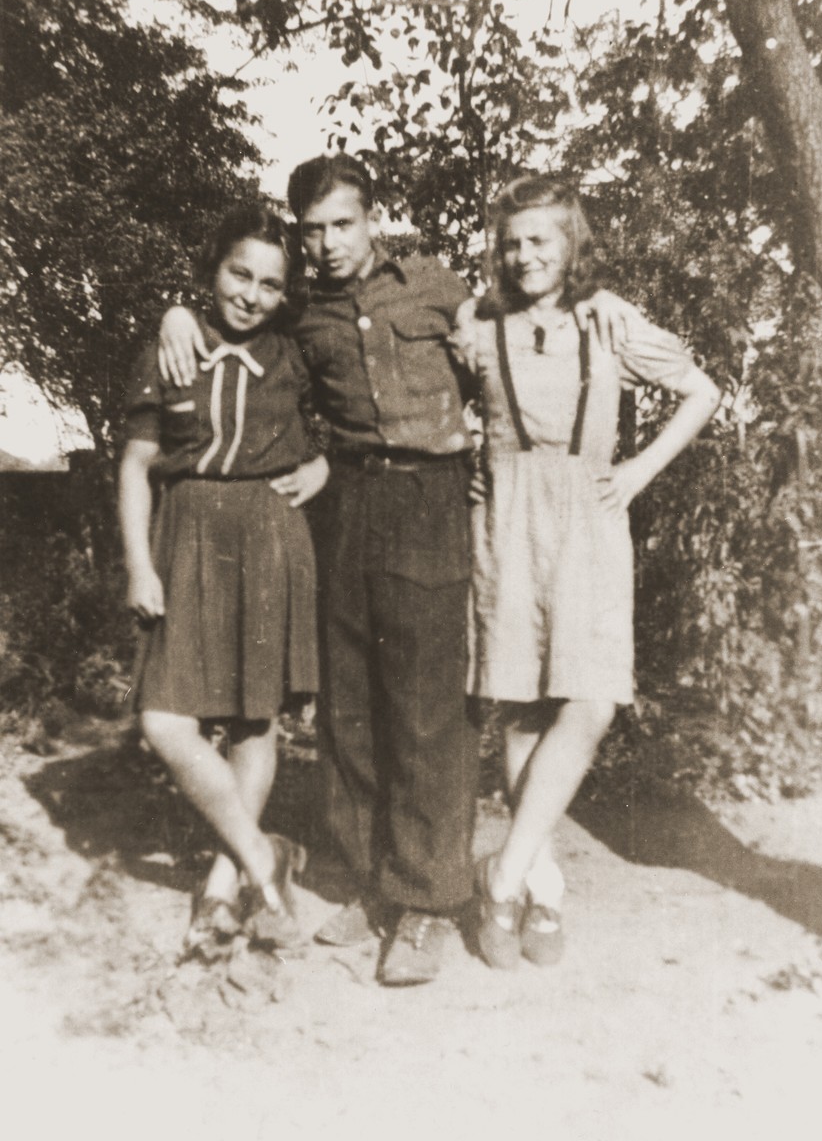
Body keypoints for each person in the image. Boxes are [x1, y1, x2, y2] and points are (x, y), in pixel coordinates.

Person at [157, 155, 638, 986]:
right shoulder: (300, 315)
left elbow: (515, 342)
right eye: (311, 230)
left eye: (341, 224)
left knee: (426, 711)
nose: (327, 243)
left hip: (431, 501)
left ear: (371, 218)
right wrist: (176, 310)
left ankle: (425, 900)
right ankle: (367, 885)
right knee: (350, 706)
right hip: (346, 506)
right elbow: (251, 362)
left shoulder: (439, 286)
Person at [451, 174, 721, 969]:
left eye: (541, 239)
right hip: (503, 517)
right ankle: (540, 892)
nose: (525, 254)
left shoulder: (609, 321)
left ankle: (497, 874)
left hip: (589, 516)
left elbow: (700, 391)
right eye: (512, 241)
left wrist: (637, 471)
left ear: (572, 243)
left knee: (592, 700)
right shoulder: (475, 323)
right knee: (524, 704)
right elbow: (432, 399)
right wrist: (468, 457)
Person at [119, 203, 329, 961]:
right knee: (166, 722)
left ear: (284, 295)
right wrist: (140, 562)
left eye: (270, 284)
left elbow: (341, 418)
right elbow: (137, 466)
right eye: (239, 273)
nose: (250, 293)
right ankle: (264, 857)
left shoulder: (292, 354)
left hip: (270, 539)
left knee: (252, 723)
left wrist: (323, 462)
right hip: (186, 537)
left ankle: (220, 886)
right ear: (212, 269)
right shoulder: (168, 346)